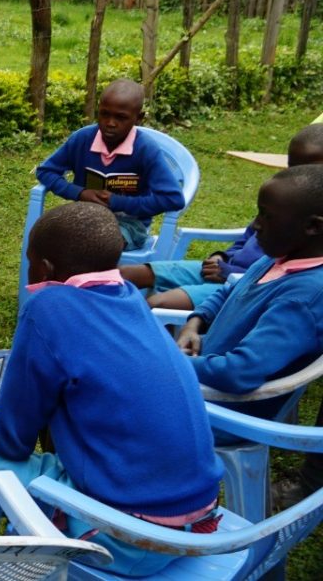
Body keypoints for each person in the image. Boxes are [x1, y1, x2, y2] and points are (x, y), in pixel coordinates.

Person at [0, 202, 222, 577]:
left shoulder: (47, 305)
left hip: (124, 537)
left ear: (46, 268)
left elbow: (10, 441)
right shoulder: (130, 297)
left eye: (31, 261)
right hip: (197, 523)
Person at [176, 164, 323, 423]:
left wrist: (164, 361)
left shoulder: (303, 298)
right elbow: (229, 290)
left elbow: (239, 372)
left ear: (312, 226)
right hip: (197, 391)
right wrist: (194, 323)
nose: (255, 226)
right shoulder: (276, 258)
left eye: (266, 216)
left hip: (221, 414)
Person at [121, 124, 323, 309]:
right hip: (223, 268)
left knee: (158, 304)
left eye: (311, 169)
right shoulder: (287, 199)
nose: (299, 175)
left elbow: (282, 274)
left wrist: (228, 273)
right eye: (293, 167)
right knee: (128, 274)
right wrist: (223, 256)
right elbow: (248, 237)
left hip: (244, 288)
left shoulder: (309, 226)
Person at [36, 79, 185, 253]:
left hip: (129, 225)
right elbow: (46, 171)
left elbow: (173, 198)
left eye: (121, 117)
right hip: (83, 216)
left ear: (139, 118)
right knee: (46, 238)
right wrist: (80, 192)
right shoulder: (83, 139)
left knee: (97, 246)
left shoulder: (145, 149)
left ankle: (95, 280)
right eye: (104, 114)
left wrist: (118, 202)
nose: (110, 123)